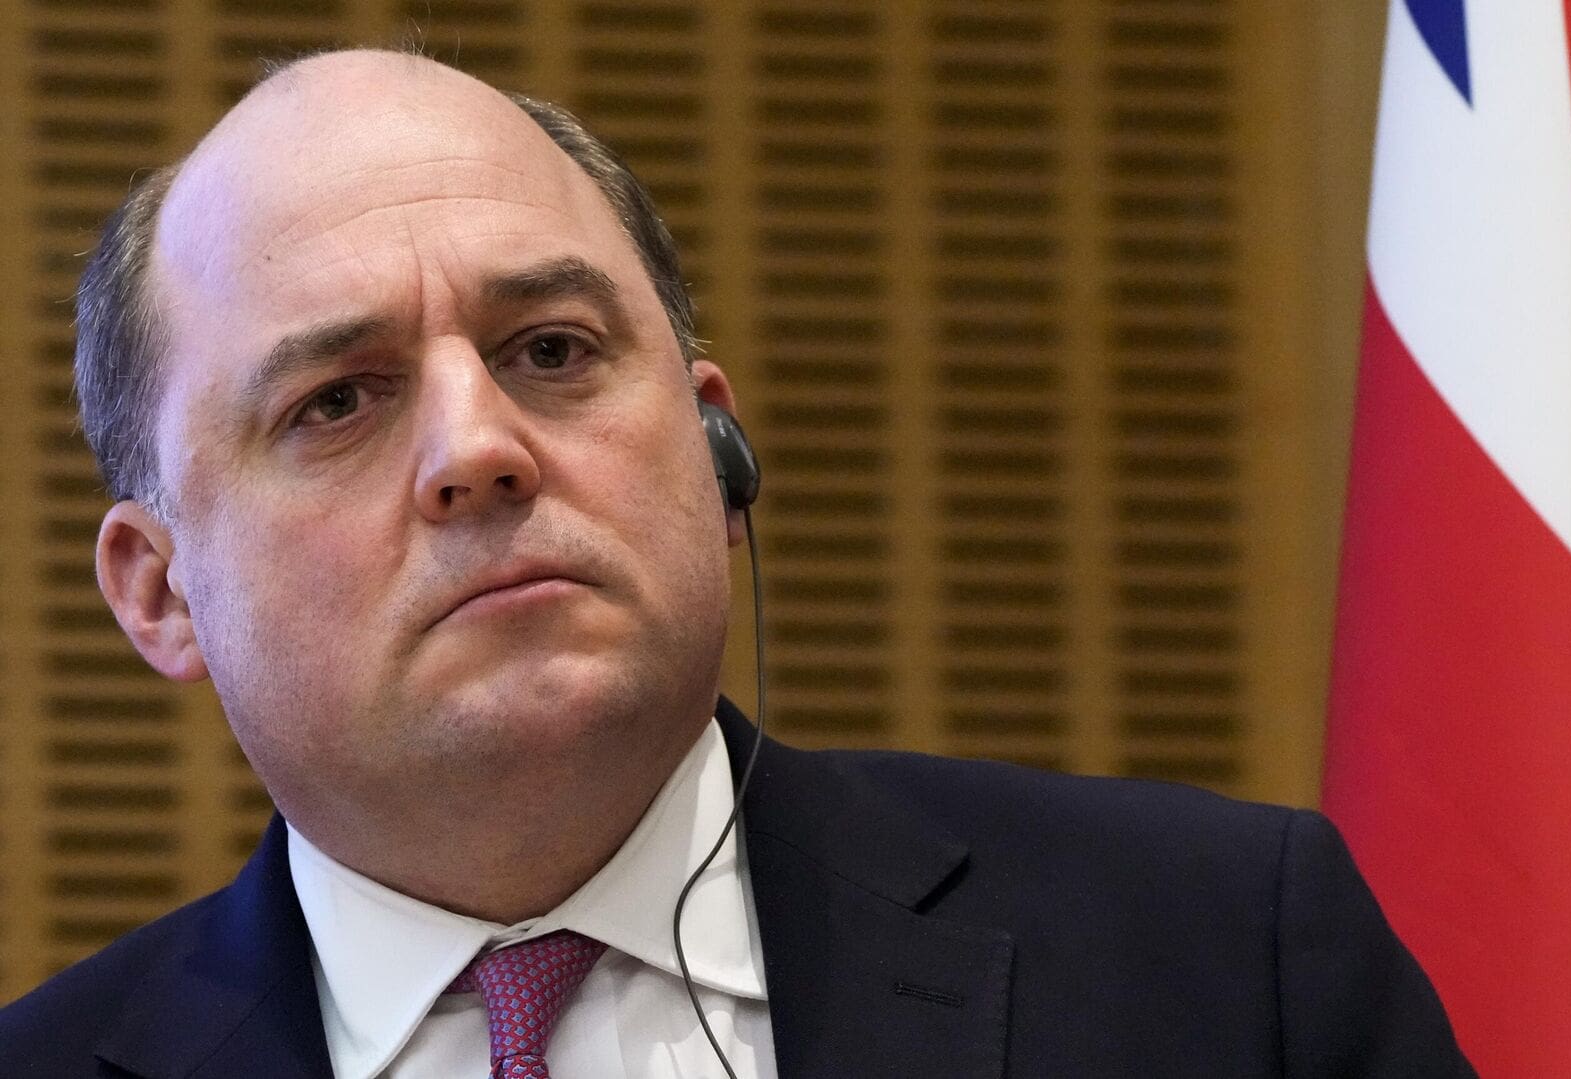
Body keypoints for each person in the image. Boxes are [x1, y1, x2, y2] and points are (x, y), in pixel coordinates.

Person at [0, 49, 1473, 1077]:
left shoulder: (1222, 961)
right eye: (338, 401)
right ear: (159, 590)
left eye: (552, 351)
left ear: (716, 455)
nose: (481, 447)